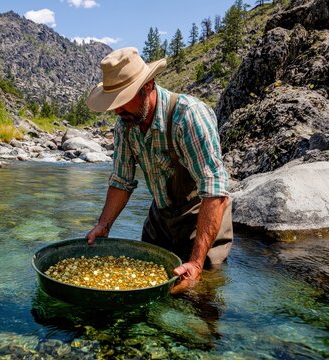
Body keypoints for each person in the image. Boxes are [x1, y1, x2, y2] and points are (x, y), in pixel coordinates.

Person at [85, 47, 233, 294]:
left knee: (199, 295)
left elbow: (214, 191)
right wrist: (104, 225)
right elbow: (122, 181)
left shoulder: (188, 116)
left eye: (123, 100)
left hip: (202, 214)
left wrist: (196, 263)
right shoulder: (126, 124)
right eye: (114, 103)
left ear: (148, 86)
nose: (117, 110)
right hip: (161, 217)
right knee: (147, 290)